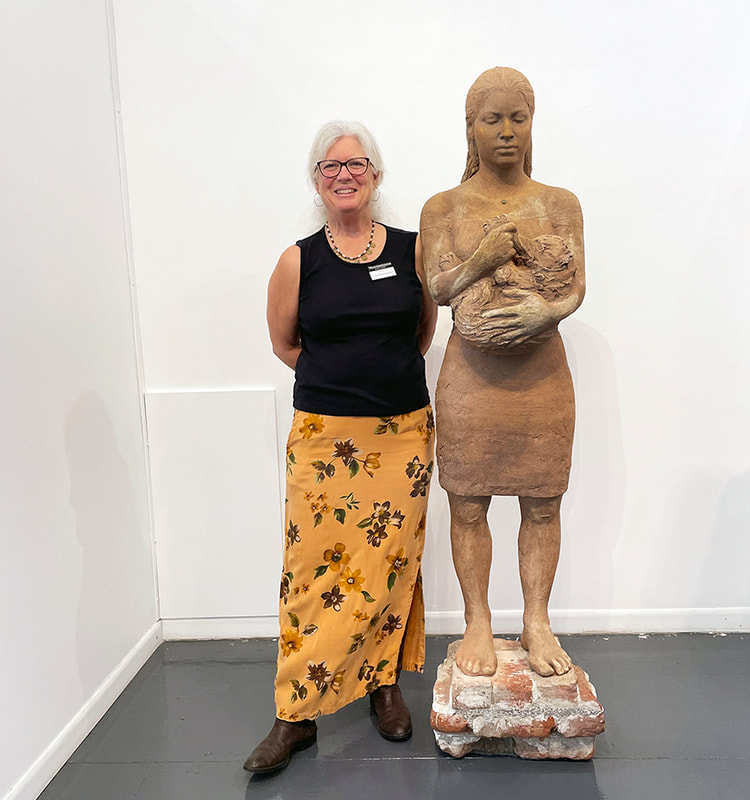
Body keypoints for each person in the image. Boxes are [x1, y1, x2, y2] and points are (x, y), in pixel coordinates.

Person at [244, 121, 436, 775]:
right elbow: (285, 344)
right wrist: (343, 385)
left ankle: (384, 685)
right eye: (330, 166)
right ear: (316, 180)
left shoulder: (413, 251)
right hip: (325, 439)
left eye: (356, 165)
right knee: (312, 573)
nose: (344, 175)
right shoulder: (298, 260)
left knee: (389, 565)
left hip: (401, 438)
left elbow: (421, 333)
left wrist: (379, 382)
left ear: (376, 175)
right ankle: (294, 715)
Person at [420, 67, 585, 679]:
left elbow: (576, 288)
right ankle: (478, 622)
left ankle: (536, 622)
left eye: (519, 118)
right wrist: (481, 261)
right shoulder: (445, 208)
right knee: (468, 505)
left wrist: (548, 308)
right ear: (471, 128)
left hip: (541, 379)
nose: (508, 132)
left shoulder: (559, 204)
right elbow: (437, 288)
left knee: (543, 504)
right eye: (493, 119)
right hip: (472, 379)